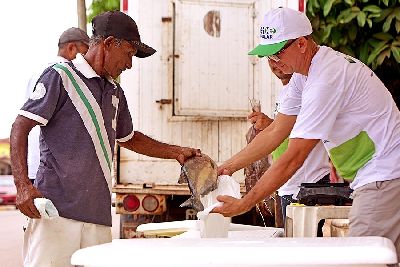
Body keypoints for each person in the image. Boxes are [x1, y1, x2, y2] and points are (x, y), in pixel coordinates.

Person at [10, 11, 200, 266]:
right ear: (109, 43)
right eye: (130, 54)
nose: (130, 64)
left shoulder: (114, 91)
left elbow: (129, 138)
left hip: (97, 218)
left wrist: (175, 152)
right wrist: (22, 185)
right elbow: (20, 127)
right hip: (56, 215)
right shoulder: (60, 77)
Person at [214, 7, 400, 261]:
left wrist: (245, 203)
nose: (273, 63)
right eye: (267, 56)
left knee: (362, 259)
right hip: (379, 175)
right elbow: (276, 132)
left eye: (277, 53)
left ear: (301, 43)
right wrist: (226, 168)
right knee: (382, 257)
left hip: (385, 175)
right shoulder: (304, 76)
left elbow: (294, 156)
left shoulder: (325, 78)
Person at [248, 59, 330, 229]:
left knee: (303, 250)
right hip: (288, 185)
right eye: (270, 58)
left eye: (279, 56)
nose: (275, 63)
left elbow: (307, 134)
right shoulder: (287, 92)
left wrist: (271, 125)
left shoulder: (305, 90)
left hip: (308, 186)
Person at [25, 27, 90, 185]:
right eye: (85, 51)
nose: (88, 58)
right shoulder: (67, 74)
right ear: (71, 48)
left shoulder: (38, 72)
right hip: (56, 170)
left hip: (36, 164)